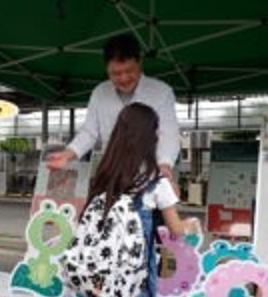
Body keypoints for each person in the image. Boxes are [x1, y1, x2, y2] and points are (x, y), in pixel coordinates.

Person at [80, 103, 199, 297]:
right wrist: (191, 224)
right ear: (150, 135)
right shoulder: (157, 183)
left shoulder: (104, 175)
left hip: (98, 271)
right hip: (134, 275)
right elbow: (175, 229)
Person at [47, 33, 180, 191]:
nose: (123, 78)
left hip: (151, 176)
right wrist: (69, 154)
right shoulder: (100, 93)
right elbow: (89, 132)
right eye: (115, 73)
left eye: (129, 71)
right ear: (107, 69)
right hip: (112, 177)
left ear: (140, 63)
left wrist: (165, 164)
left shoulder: (161, 92)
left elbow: (169, 133)